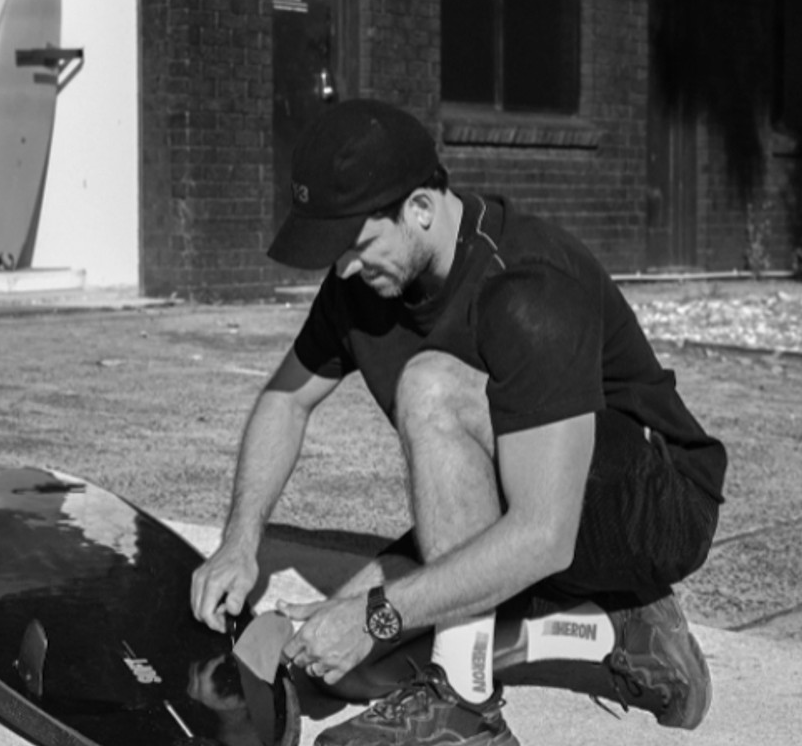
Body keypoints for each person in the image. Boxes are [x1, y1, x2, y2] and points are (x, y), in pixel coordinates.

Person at [191, 99, 727, 746]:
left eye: (356, 245)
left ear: (420, 207)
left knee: (432, 388)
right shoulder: (360, 283)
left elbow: (544, 535)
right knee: (338, 666)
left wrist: (380, 613)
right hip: (524, 492)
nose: (344, 268)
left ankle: (467, 711)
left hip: (649, 503)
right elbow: (286, 400)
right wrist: (239, 542)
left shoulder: (528, 286)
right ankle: (621, 631)